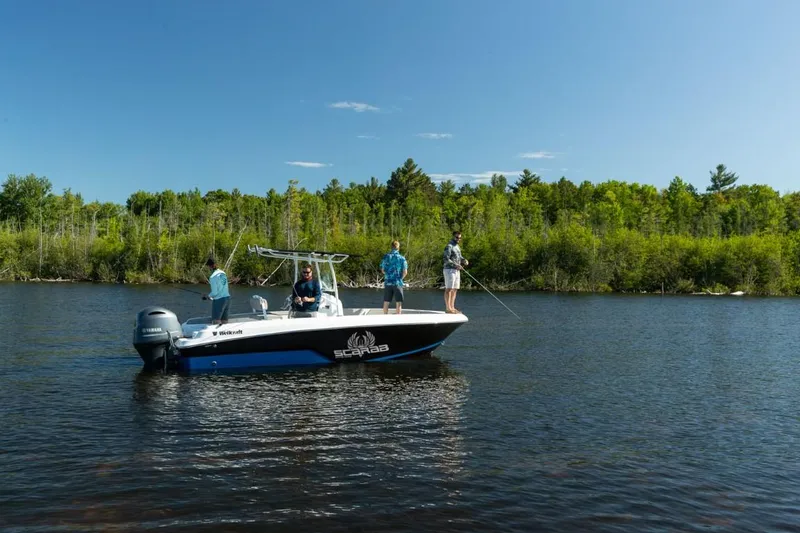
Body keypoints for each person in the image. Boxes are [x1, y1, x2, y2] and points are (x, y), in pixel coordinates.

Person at [442, 231, 468, 313]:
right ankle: (448, 308)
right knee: (449, 288)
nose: (458, 239)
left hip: (456, 270)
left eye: (460, 238)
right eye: (457, 237)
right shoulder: (449, 246)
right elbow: (446, 259)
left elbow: (459, 257)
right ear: (453, 237)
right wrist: (455, 265)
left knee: (455, 289)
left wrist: (464, 260)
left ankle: (452, 307)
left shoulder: (457, 246)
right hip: (449, 270)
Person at [380, 240, 408, 314]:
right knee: (398, 303)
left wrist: (388, 275)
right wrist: (400, 279)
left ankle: (385, 317)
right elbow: (405, 272)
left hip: (388, 282)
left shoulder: (385, 257)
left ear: (391, 247)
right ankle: (398, 319)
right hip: (397, 282)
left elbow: (382, 270)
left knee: (386, 302)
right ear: (398, 248)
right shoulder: (402, 258)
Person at [202, 257, 230, 325]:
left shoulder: (213, 277)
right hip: (227, 299)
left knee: (215, 322)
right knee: (224, 322)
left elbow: (215, 292)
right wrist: (210, 296)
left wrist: (207, 296)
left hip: (219, 301)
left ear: (209, 266)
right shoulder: (223, 273)